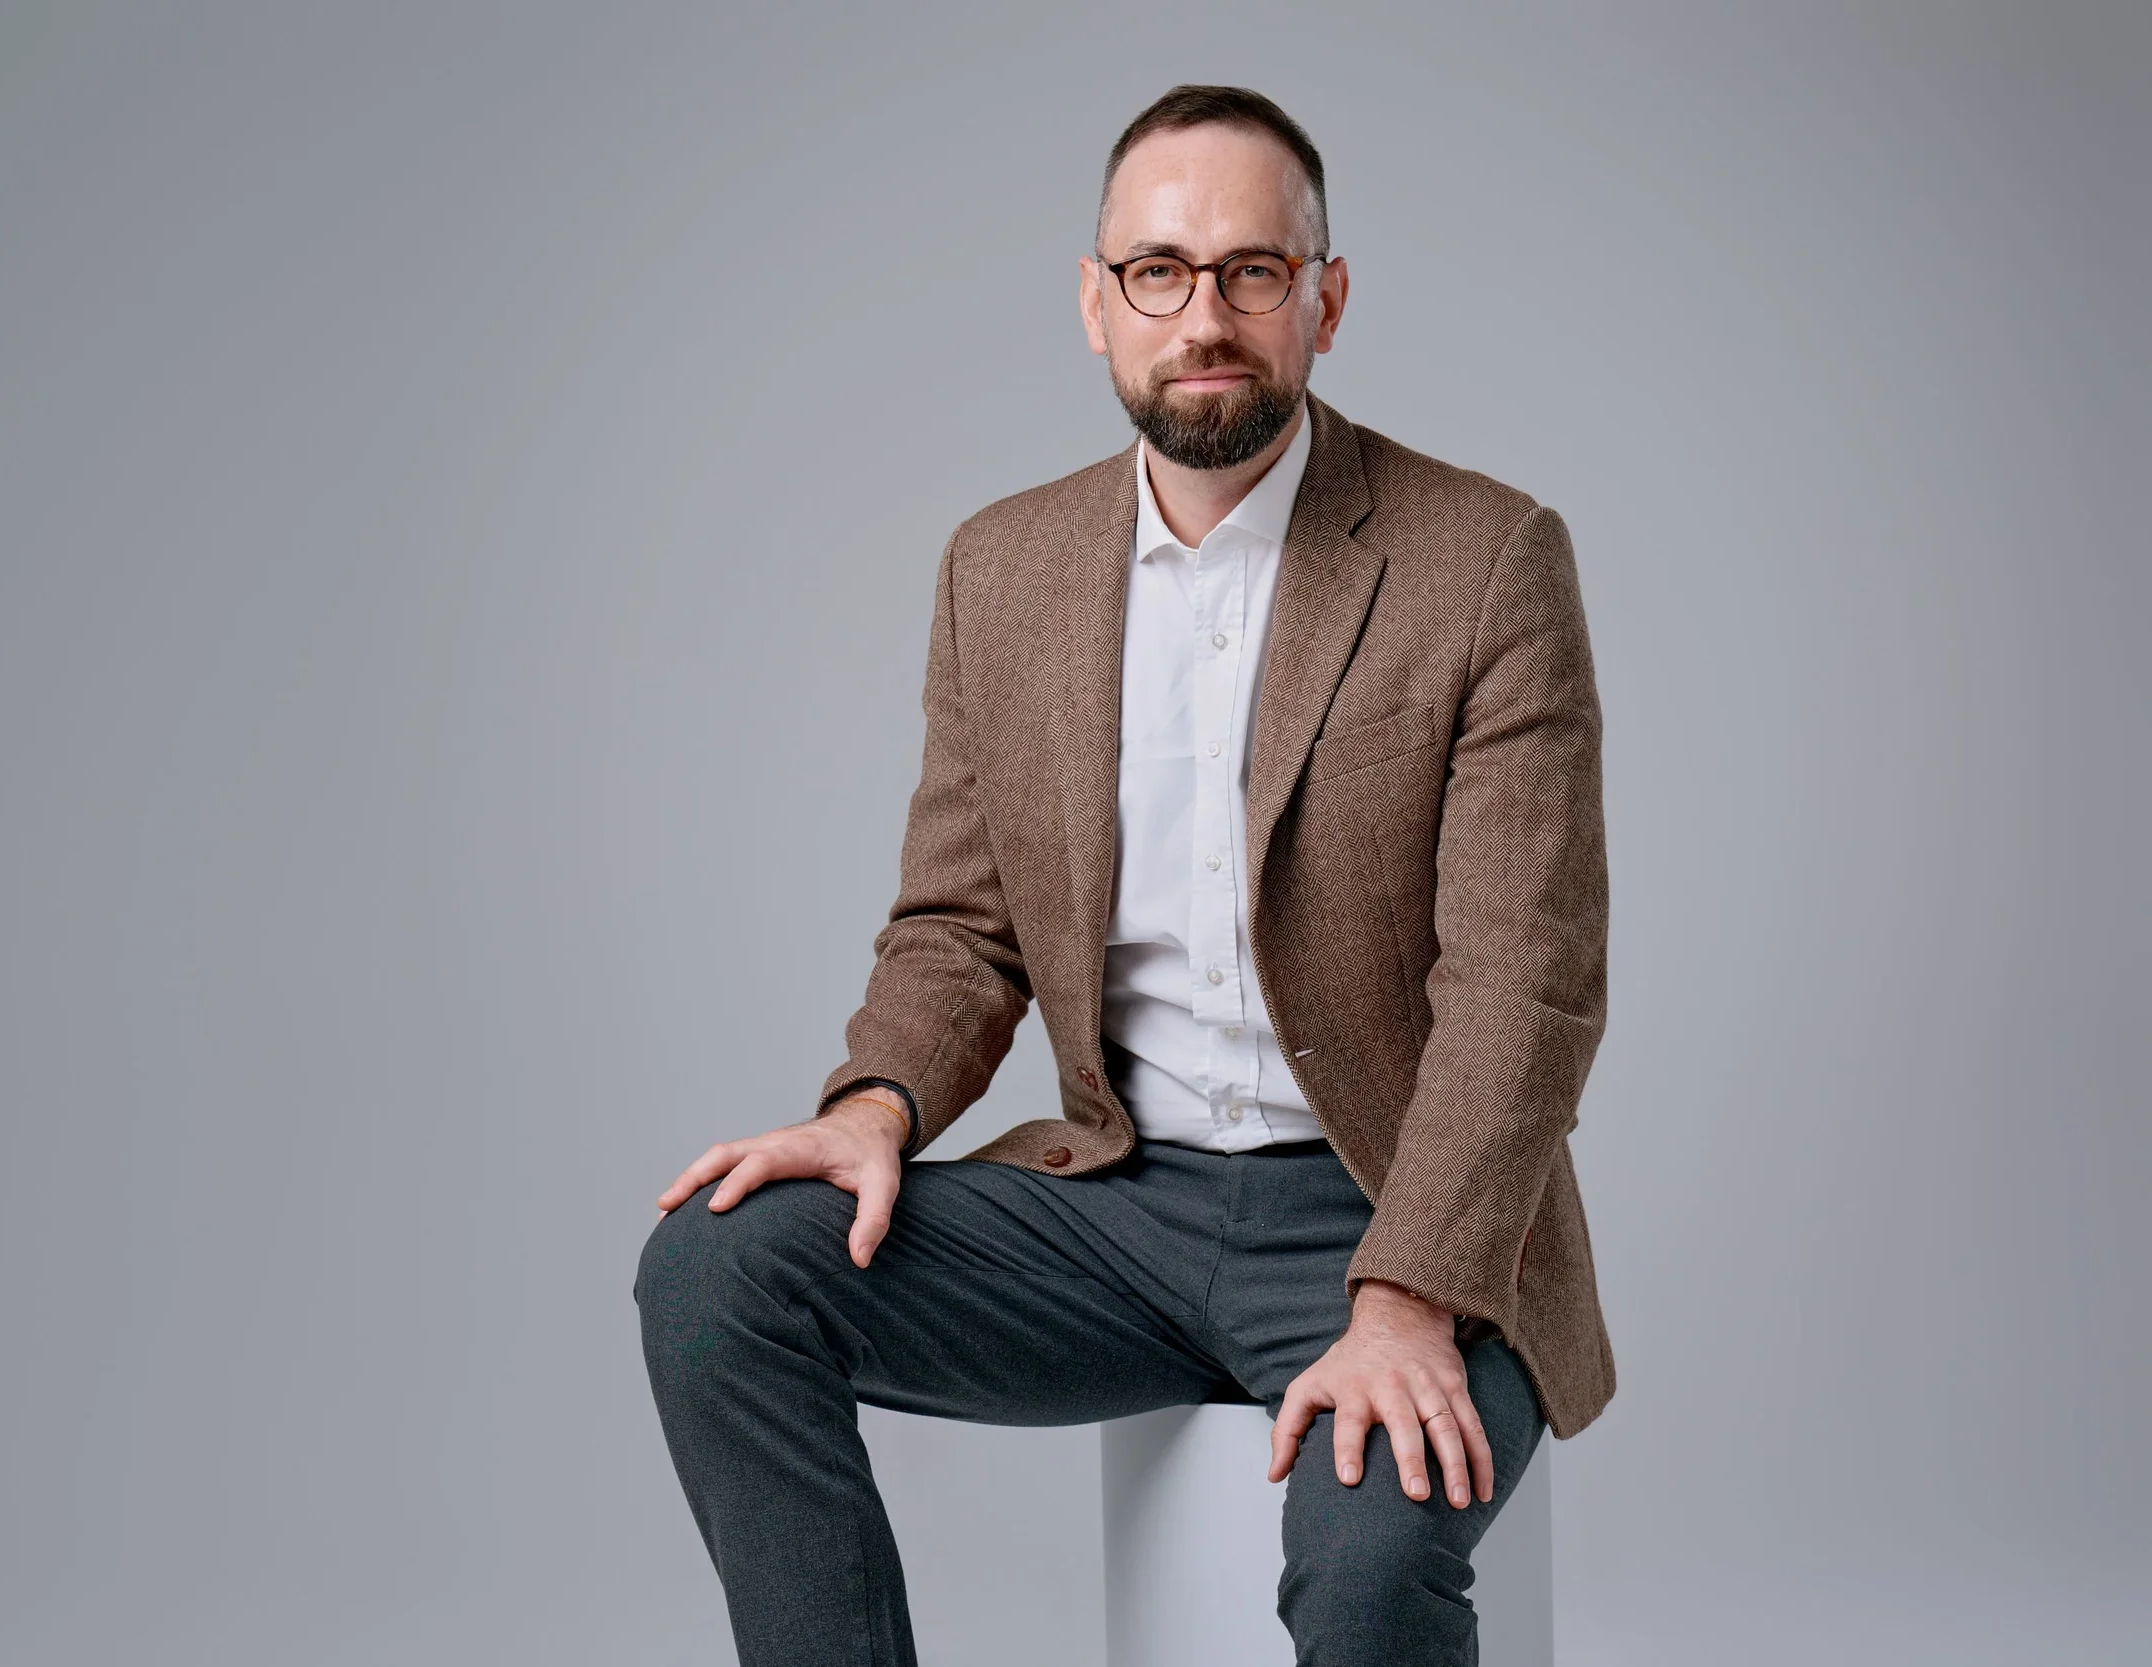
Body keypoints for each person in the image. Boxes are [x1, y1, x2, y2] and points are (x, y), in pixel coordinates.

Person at [636, 83, 1613, 1667]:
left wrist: (1410, 1296)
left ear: (1326, 300)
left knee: (1368, 1573)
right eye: (1158, 270)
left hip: (1385, 1208)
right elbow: (961, 924)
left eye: (1252, 270)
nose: (1204, 314)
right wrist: (872, 1107)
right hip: (1114, 1213)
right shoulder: (1000, 569)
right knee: (716, 1270)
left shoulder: (1484, 558)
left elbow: (1527, 987)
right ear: (1096, 305)